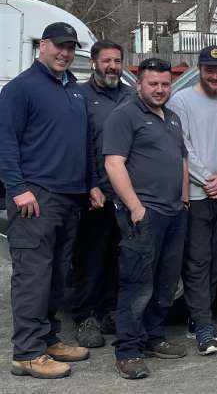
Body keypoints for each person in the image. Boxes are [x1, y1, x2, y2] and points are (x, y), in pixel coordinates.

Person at [0, 21, 94, 379]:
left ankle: (48, 338)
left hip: (69, 197)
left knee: (57, 275)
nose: (65, 53)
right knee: (33, 276)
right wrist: (18, 187)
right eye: (59, 46)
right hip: (35, 197)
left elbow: (82, 143)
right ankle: (26, 352)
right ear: (42, 46)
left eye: (70, 48)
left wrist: (89, 185)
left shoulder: (72, 89)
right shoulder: (21, 88)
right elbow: (5, 142)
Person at [104, 58, 190, 379]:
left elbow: (181, 158)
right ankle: (128, 350)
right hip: (144, 214)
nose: (159, 89)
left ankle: (153, 336)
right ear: (138, 84)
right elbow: (114, 163)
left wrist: (183, 198)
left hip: (173, 213)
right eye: (152, 84)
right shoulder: (124, 116)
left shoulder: (172, 118)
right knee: (137, 283)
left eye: (165, 84)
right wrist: (135, 206)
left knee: (166, 284)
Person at [168, 45, 217, 355]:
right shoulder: (181, 101)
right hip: (197, 195)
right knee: (198, 261)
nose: (215, 75)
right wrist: (210, 180)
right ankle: (203, 323)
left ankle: (200, 316)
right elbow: (183, 148)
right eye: (209, 69)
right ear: (200, 69)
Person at [71, 39, 135, 349]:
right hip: (95, 195)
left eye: (117, 61)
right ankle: (85, 316)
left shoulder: (130, 95)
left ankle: (108, 310)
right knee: (90, 258)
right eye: (106, 61)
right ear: (94, 63)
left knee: (117, 258)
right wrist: (91, 184)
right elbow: (79, 145)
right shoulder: (80, 97)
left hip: (125, 194)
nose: (112, 66)